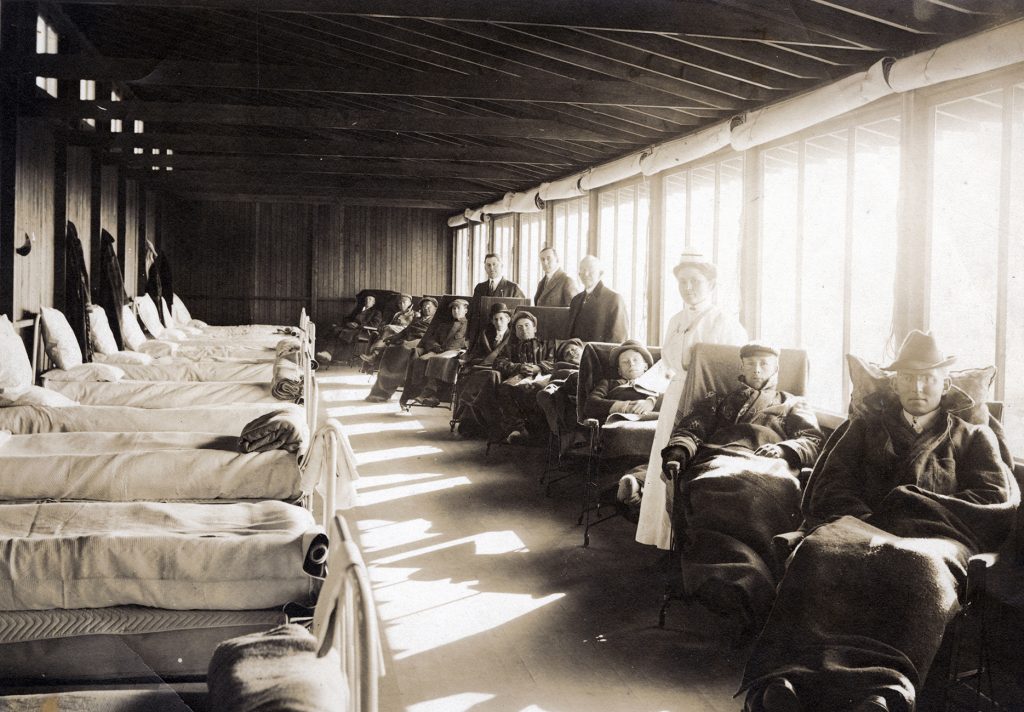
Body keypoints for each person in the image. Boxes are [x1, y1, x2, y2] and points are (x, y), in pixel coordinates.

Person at [739, 331, 1019, 712]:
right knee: (819, 552)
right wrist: (868, 521)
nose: (917, 386)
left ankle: (885, 690)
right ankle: (785, 679)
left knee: (917, 567)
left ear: (945, 384)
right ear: (896, 382)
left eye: (928, 378)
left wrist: (911, 506)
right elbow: (832, 485)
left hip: (936, 539)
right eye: (908, 377)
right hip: (860, 525)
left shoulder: (973, 437)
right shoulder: (865, 428)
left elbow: (993, 500)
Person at [645, 342, 823, 631]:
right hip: (720, 458)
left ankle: (753, 582)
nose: (757, 369)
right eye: (751, 363)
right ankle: (730, 580)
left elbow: (812, 441)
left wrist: (785, 450)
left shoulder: (793, 403)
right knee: (711, 489)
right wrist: (678, 453)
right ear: (741, 367)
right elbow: (691, 429)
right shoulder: (718, 401)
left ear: (776, 368)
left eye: (764, 363)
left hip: (769, 467)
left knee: (759, 497)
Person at [636, 252, 747, 550]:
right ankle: (664, 540)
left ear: (711, 283)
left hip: (702, 404)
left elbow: (731, 375)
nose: (688, 287)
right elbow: (668, 364)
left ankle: (688, 545)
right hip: (674, 397)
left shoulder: (725, 323)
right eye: (682, 281)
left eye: (695, 281)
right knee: (666, 461)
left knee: (690, 466)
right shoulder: (675, 320)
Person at [452, 302, 514, 435]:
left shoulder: (513, 336)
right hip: (482, 367)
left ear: (508, 319)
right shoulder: (486, 334)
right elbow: (477, 353)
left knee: (489, 377)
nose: (498, 322)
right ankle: (471, 422)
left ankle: (479, 418)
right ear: (492, 321)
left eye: (501, 318)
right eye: (495, 319)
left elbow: (512, 358)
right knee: (469, 377)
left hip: (502, 370)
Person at [492, 311, 554, 443]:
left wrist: (539, 367)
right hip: (519, 376)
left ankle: (541, 432)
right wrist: (518, 367)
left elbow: (554, 362)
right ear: (515, 331)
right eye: (519, 327)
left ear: (535, 328)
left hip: (543, 376)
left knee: (537, 389)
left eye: (527, 325)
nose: (524, 329)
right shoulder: (510, 347)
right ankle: (519, 429)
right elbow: (498, 362)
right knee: (504, 388)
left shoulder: (547, 344)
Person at [400, 298, 470, 410]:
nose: (455, 310)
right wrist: (435, 347)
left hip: (455, 352)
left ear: (465, 310)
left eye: (458, 308)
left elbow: (460, 343)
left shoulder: (468, 326)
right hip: (439, 351)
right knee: (420, 360)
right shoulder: (444, 325)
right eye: (453, 308)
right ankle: (417, 391)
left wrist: (441, 350)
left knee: (435, 359)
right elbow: (431, 339)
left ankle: (429, 393)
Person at [365, 297, 437, 403]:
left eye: (429, 306)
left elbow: (434, 337)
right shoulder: (417, 319)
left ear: (435, 308)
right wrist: (392, 338)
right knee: (390, 349)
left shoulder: (436, 322)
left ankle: (384, 392)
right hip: (409, 339)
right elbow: (405, 331)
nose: (426, 308)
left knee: (402, 348)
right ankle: (380, 392)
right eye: (424, 306)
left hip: (423, 342)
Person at [584, 340, 661, 424]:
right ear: (619, 371)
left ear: (645, 366)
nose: (631, 364)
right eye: (625, 361)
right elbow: (591, 403)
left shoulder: (656, 382)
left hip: (653, 421)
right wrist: (626, 407)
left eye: (635, 360)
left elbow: (672, 397)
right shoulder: (609, 383)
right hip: (618, 423)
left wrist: (651, 402)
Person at [566, 255, 628, 343]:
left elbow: (617, 339)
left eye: (590, 269)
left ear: (600, 273)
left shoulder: (613, 299)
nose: (586, 274)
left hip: (600, 355)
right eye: (582, 270)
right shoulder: (576, 300)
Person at [359, 293, 414, 368]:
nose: (402, 304)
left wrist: (390, 327)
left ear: (410, 303)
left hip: (404, 333)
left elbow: (411, 327)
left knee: (388, 329)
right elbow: (391, 324)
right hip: (392, 333)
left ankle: (374, 356)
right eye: (400, 303)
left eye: (404, 302)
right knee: (375, 334)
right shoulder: (397, 314)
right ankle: (368, 364)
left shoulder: (414, 314)